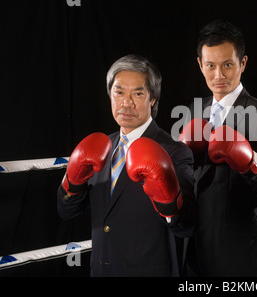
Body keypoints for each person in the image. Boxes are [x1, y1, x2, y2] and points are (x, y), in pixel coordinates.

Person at [56, 54, 196, 277]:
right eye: (119, 92)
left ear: (153, 98)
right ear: (110, 95)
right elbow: (66, 211)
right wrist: (72, 181)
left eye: (138, 93)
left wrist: (169, 204)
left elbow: (187, 226)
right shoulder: (101, 147)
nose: (126, 103)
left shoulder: (174, 151)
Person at [179, 20, 257, 276]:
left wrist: (250, 165)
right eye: (211, 66)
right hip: (196, 244)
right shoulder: (193, 111)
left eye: (227, 65)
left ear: (243, 63)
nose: (219, 75)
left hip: (241, 246)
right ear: (200, 65)